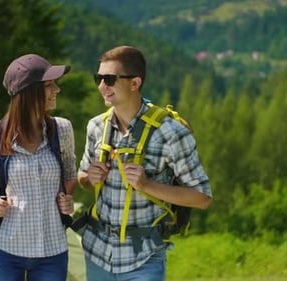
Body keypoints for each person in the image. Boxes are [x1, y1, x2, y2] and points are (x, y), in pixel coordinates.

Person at [77, 45, 213, 281]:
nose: (102, 86)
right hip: (97, 254)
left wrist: (147, 185)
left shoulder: (171, 133)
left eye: (109, 79)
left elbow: (202, 198)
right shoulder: (96, 126)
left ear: (135, 83)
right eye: (98, 78)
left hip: (144, 258)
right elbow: (82, 180)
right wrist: (89, 179)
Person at [0, 54, 76, 281]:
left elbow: (70, 173)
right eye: (49, 85)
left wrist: (67, 196)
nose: (57, 90)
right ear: (29, 93)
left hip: (53, 250)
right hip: (5, 250)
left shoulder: (62, 130)